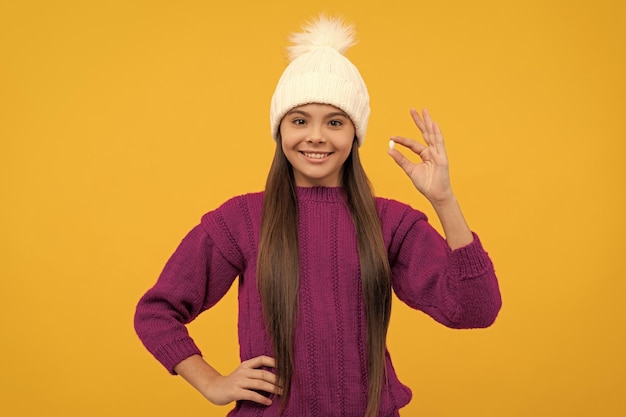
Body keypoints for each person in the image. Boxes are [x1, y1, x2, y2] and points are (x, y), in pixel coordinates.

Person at [134, 14, 502, 417]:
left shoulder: (391, 224)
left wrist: (444, 200)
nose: (316, 136)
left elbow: (476, 310)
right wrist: (210, 381)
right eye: (299, 120)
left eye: (335, 122)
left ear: (354, 134)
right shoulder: (241, 219)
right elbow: (157, 312)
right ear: (280, 131)